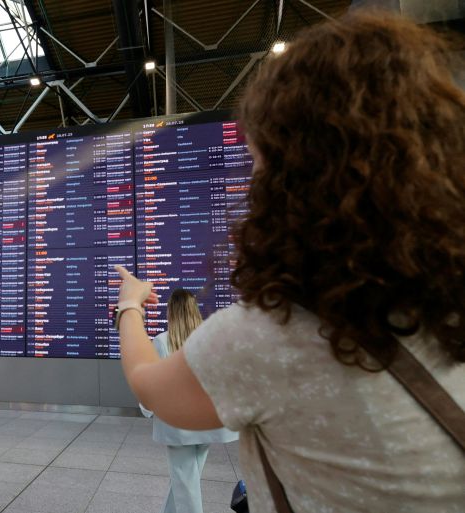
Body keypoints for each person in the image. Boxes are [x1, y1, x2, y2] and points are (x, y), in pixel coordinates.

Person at [114, 12, 465, 513]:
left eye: (260, 161)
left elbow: (150, 385)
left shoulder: (269, 335)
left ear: (297, 176)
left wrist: (130, 304)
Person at [140, 289, 238, 513]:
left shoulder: (162, 341)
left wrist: (146, 409)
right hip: (207, 422)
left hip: (178, 425)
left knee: (185, 482)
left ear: (171, 312)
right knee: (186, 480)